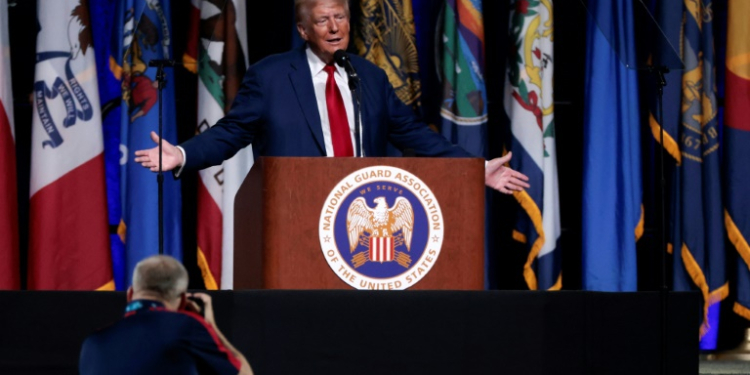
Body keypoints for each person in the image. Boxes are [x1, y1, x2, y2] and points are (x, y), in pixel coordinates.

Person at [134, 0, 529, 194]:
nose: (335, 27)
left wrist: (473, 169)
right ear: (304, 30)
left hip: (360, 212)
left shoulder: (369, 77)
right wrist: (182, 154)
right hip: (296, 215)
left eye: (341, 17)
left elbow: (414, 135)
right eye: (323, 20)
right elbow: (231, 132)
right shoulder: (271, 77)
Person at [79, 255, 253, 375]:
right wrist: (210, 325)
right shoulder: (186, 325)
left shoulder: (92, 343)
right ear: (183, 300)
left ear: (130, 294)